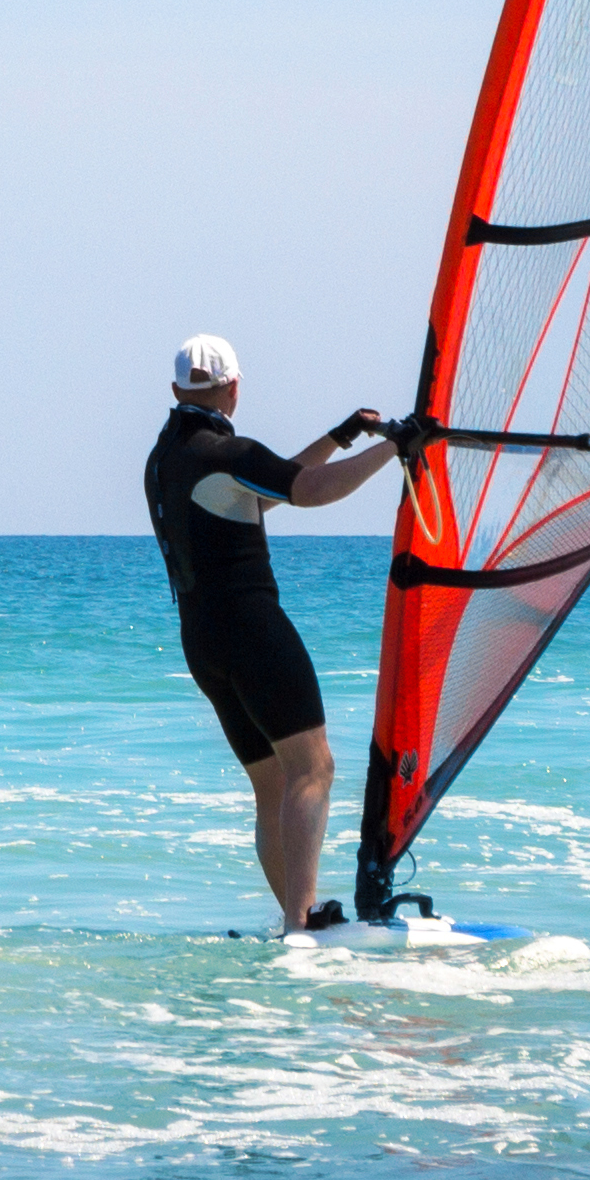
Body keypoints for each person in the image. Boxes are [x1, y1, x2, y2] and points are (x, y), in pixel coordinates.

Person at [142, 333, 401, 936]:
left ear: (178, 388)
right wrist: (396, 449)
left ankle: (296, 919)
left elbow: (268, 486)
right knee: (314, 769)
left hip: (202, 641)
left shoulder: (169, 458)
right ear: (234, 387)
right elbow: (302, 491)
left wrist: (340, 437)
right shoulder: (227, 454)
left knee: (273, 783)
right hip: (253, 630)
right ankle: (298, 928)